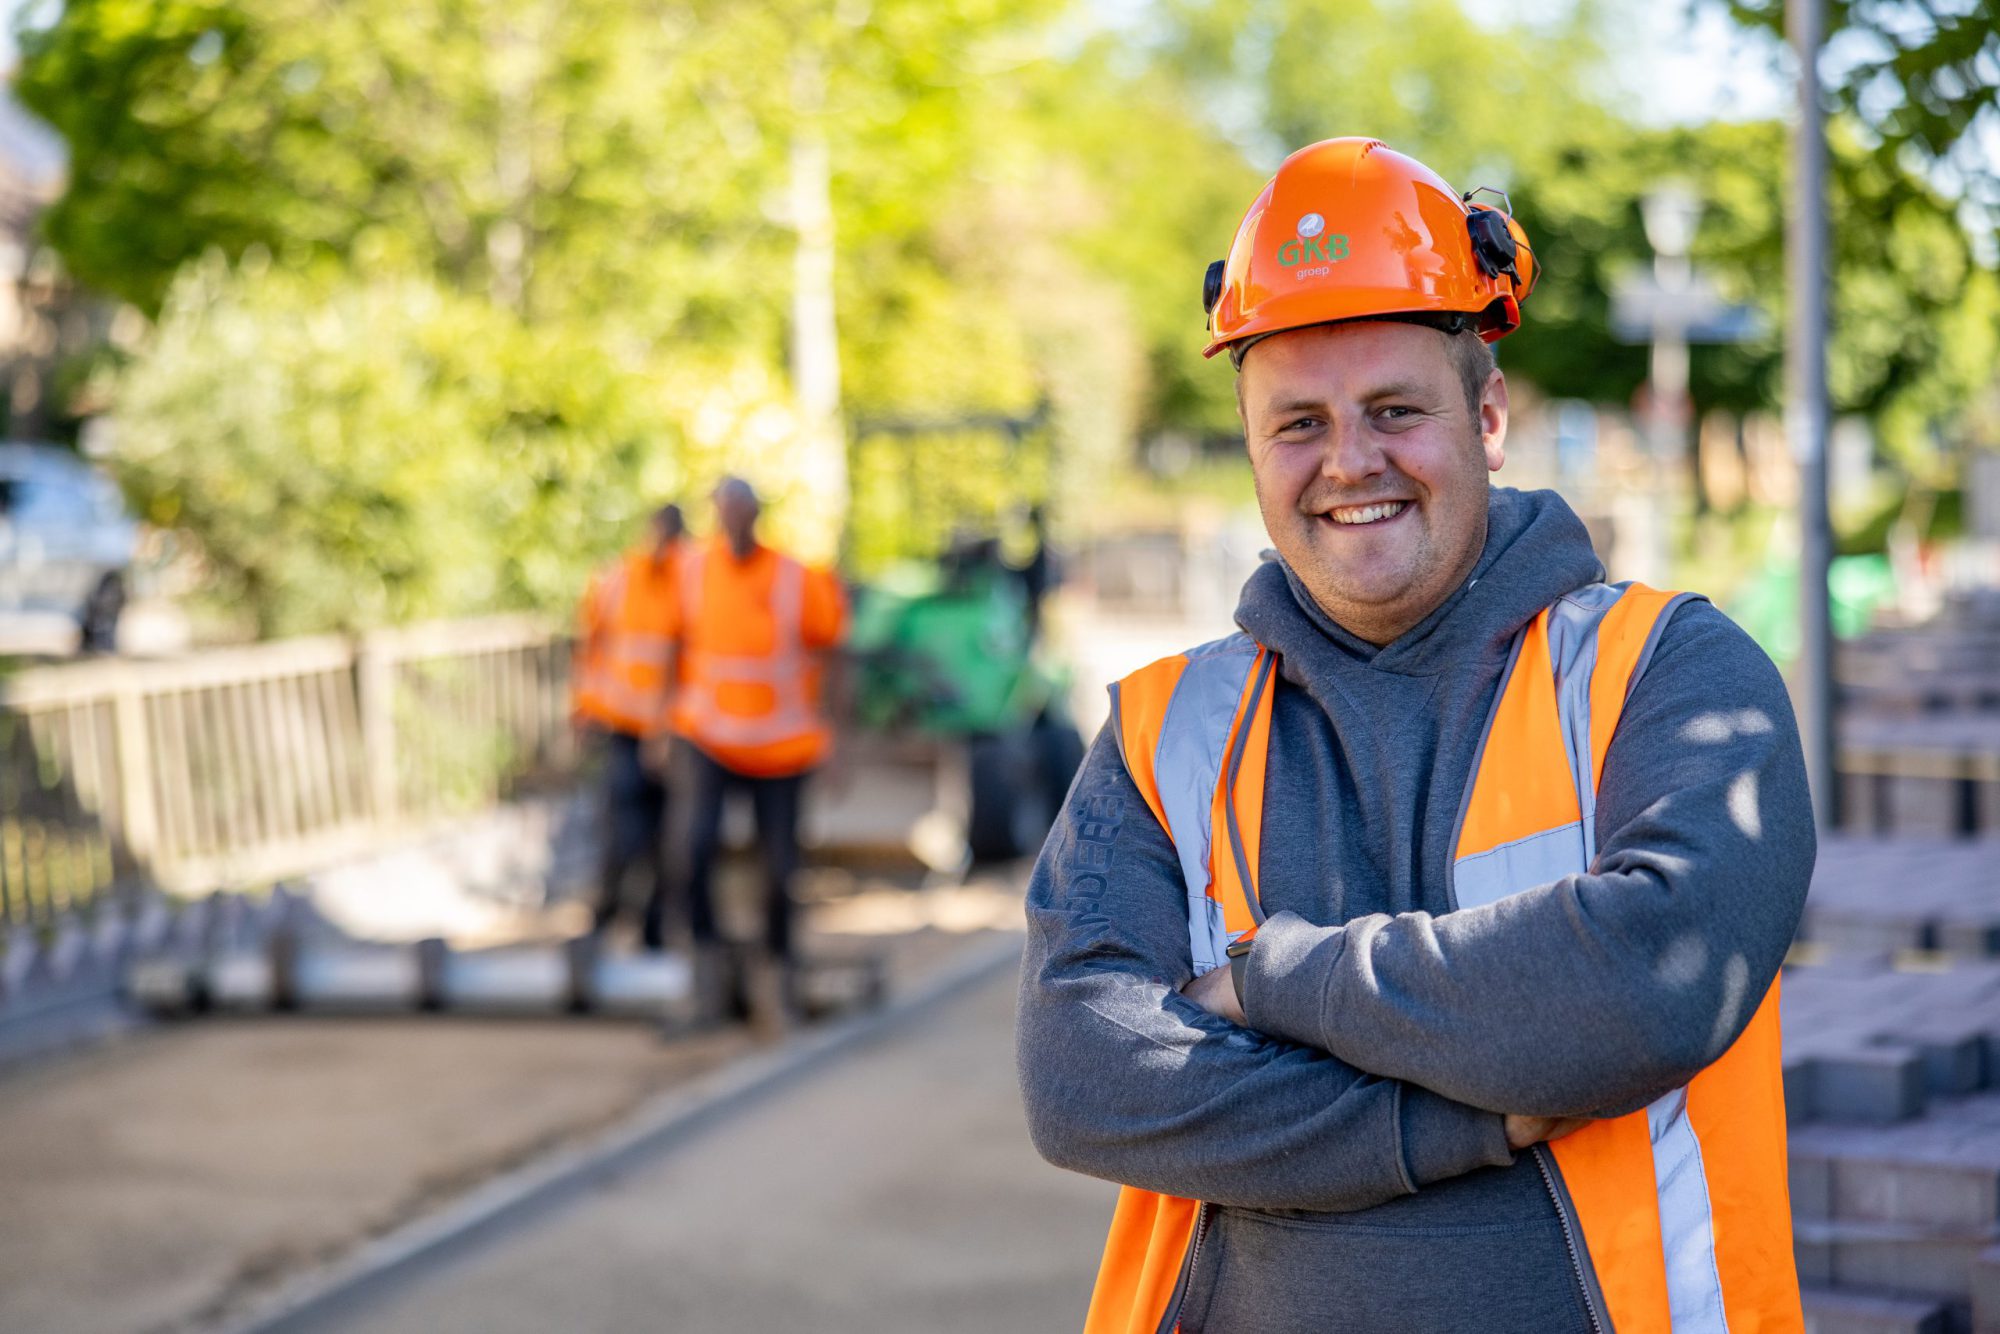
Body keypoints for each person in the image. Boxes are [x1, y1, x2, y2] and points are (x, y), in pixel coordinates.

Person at [1016, 137, 1812, 1334]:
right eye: (1297, 423)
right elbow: (1084, 1075)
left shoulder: (1666, 672)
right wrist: (1449, 1119)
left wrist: (1266, 980)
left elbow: (1650, 981)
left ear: (1485, 416)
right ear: (1250, 445)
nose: (1349, 461)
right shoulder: (1160, 732)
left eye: (1393, 409)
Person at [669, 477, 848, 1018]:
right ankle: (706, 962)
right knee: (692, 849)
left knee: (779, 866)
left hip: (781, 747)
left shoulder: (796, 579)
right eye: (724, 511)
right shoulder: (694, 571)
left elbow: (834, 655)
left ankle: (777, 967)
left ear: (755, 515)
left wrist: (836, 738)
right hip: (708, 737)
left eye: (740, 511)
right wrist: (660, 725)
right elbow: (672, 645)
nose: (732, 522)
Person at [572, 504, 683, 951]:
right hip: (623, 727)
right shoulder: (617, 581)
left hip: (672, 734)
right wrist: (582, 710)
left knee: (665, 836)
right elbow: (591, 649)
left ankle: (654, 928)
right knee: (623, 831)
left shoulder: (690, 583)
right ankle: (607, 915)